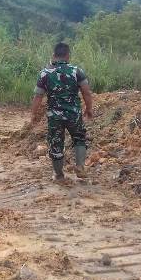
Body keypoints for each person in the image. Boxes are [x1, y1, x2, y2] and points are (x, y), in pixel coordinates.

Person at [29, 42, 93, 182]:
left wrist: (33, 115)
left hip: (55, 116)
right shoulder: (77, 71)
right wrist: (89, 109)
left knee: (56, 144)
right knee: (79, 138)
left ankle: (59, 175)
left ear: (54, 55)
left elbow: (38, 97)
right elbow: (86, 93)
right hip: (74, 114)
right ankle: (80, 166)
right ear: (68, 56)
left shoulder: (44, 73)